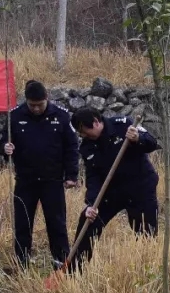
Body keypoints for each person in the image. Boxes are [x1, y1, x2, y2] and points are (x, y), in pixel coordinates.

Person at [68, 107, 160, 269]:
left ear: (96, 122)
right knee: (88, 221)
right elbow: (93, 177)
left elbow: (152, 142)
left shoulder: (124, 125)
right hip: (111, 192)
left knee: (147, 234)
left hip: (140, 188)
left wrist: (137, 138)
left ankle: (150, 271)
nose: (83, 135)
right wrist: (91, 203)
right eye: (80, 133)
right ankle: (74, 271)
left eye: (84, 131)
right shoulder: (87, 147)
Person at [0, 80, 79, 269]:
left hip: (52, 180)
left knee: (56, 223)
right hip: (25, 180)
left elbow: (71, 147)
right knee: (23, 223)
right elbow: (4, 140)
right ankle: (22, 261)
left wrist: (72, 175)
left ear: (47, 99)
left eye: (39, 105)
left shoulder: (61, 116)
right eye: (32, 105)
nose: (36, 109)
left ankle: (61, 261)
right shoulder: (15, 116)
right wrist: (6, 148)